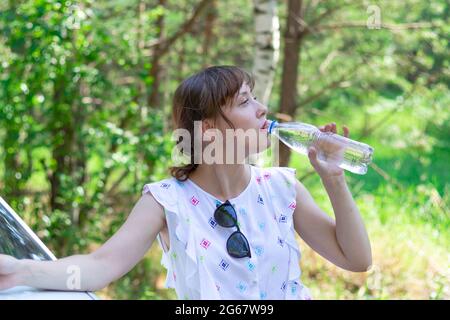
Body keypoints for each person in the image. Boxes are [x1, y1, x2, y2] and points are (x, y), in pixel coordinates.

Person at [0, 65, 372, 300]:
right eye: (245, 101)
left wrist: (334, 179)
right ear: (209, 129)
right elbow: (100, 266)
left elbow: (356, 260)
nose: (262, 109)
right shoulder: (166, 201)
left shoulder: (282, 187)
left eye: (256, 98)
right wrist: (21, 271)